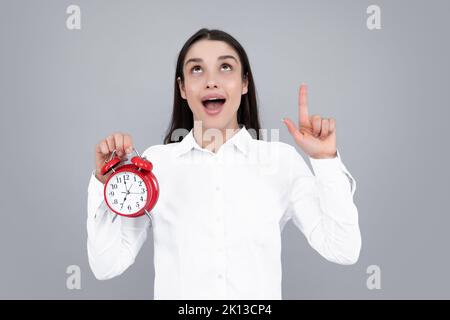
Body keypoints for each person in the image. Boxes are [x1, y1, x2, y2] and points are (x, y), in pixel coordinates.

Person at [87, 28, 361, 300]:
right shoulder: (155, 165)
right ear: (182, 88)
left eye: (225, 67)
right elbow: (106, 265)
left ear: (244, 83)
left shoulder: (281, 162)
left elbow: (343, 250)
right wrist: (104, 183)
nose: (211, 81)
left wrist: (325, 161)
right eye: (197, 70)